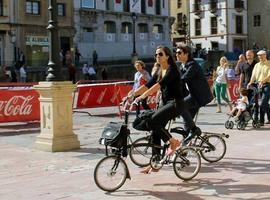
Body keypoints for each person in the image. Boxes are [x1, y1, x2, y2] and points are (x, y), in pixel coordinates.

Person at [132, 46, 197, 174]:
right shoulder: (160, 70)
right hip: (166, 104)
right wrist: (131, 95)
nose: (157, 56)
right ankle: (155, 164)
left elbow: (158, 85)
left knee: (152, 121)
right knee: (155, 132)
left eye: (160, 54)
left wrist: (143, 96)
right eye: (156, 55)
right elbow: (148, 84)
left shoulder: (172, 70)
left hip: (176, 104)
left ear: (167, 56)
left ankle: (173, 142)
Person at [175, 45, 213, 143]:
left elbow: (183, 79)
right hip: (193, 96)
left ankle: (195, 130)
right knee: (186, 122)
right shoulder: (182, 66)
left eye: (179, 53)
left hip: (199, 97)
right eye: (176, 52)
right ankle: (186, 146)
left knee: (180, 106)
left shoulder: (193, 65)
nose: (177, 54)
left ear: (186, 54)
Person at [247, 50, 270, 126]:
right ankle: (262, 121)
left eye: (261, 55)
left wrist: (262, 81)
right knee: (261, 103)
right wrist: (250, 82)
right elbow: (253, 75)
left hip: (267, 85)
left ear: (265, 55)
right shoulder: (257, 65)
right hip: (258, 85)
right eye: (259, 55)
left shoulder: (269, 63)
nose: (260, 57)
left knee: (263, 102)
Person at [238, 50, 259, 121]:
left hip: (255, 86)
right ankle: (244, 118)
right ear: (246, 56)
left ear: (253, 55)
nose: (249, 56)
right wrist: (240, 86)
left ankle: (255, 118)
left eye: (250, 54)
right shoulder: (243, 64)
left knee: (254, 103)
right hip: (246, 86)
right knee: (245, 103)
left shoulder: (257, 64)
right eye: (247, 55)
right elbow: (242, 75)